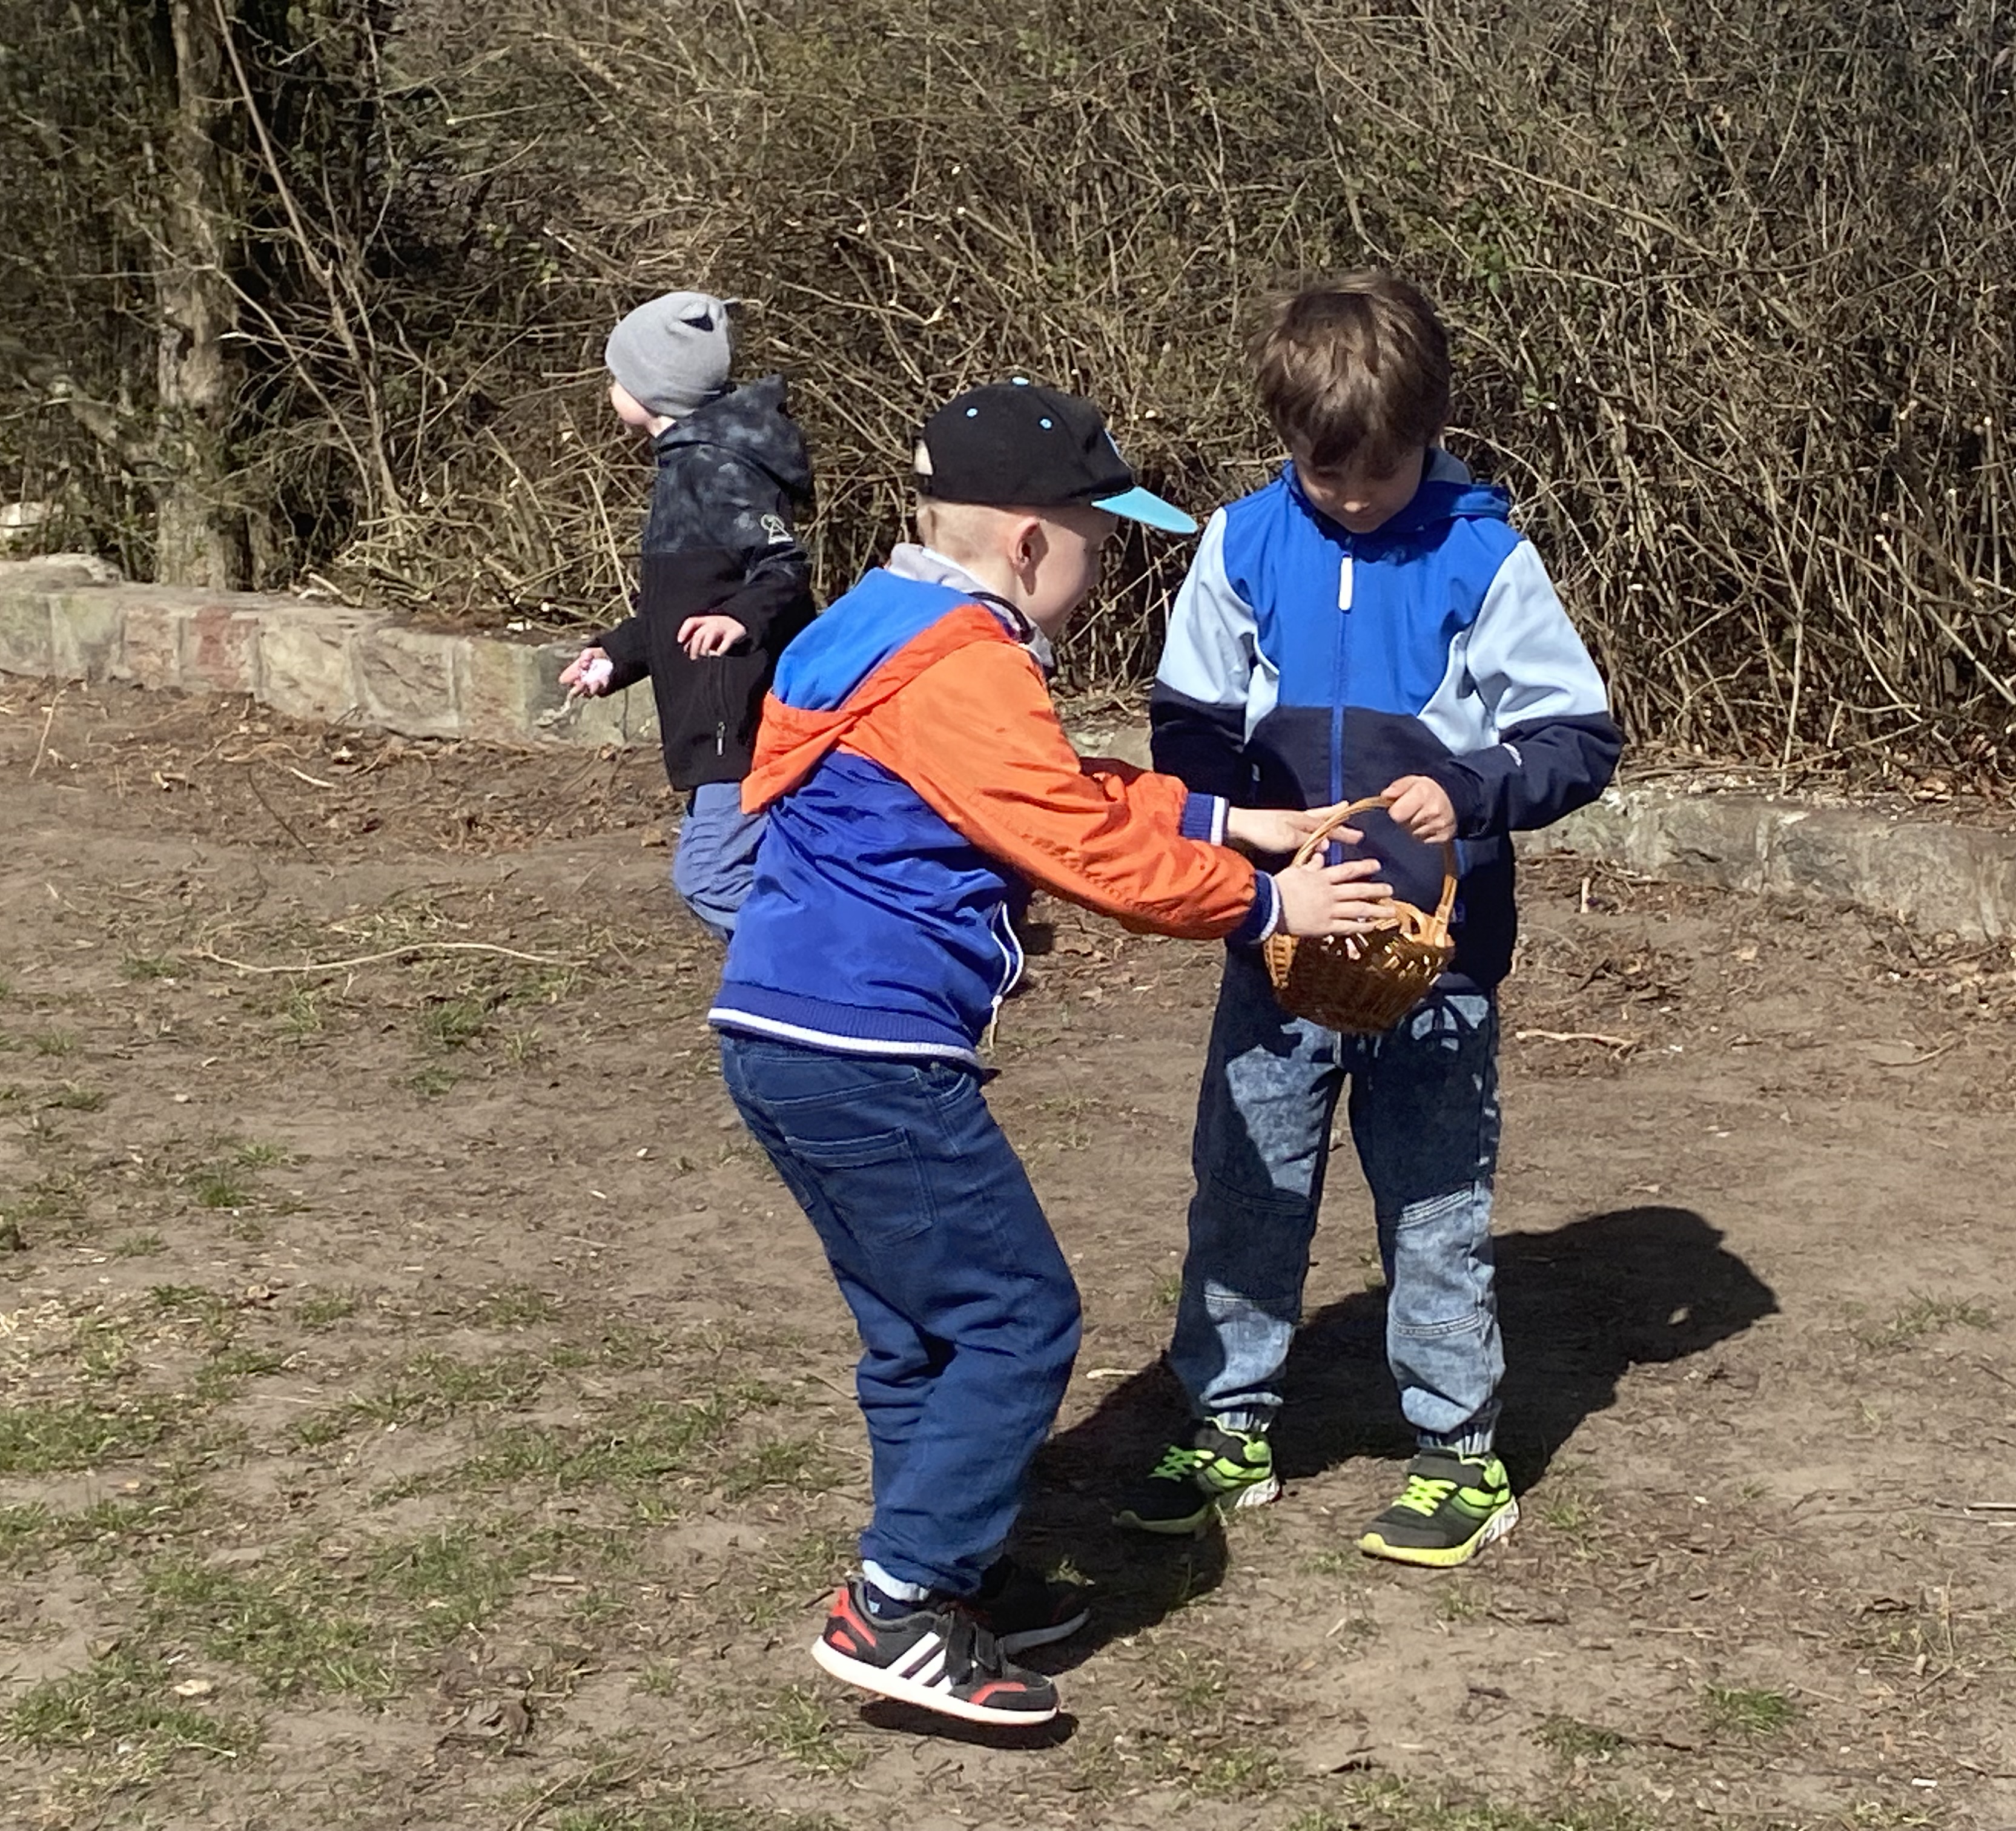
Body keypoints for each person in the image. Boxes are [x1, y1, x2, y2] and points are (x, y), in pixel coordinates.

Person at [711, 380, 1395, 1725]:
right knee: (1018, 1319)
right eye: (1098, 537)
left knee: (920, 1328)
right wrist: (1270, 903)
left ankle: (946, 1569)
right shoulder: (964, 665)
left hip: (783, 1033)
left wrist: (1229, 818)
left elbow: (1052, 788)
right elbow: (1077, 844)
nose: (1104, 564)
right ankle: (901, 1600)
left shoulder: (880, 623)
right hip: (868, 1049)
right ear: (1030, 540)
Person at [1121, 271, 1625, 1568]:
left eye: (1380, 472)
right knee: (1247, 1181)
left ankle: (1459, 1449)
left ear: (1430, 430)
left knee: (1435, 1200)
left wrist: (1471, 789)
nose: (1351, 497)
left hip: (1433, 962)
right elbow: (1189, 722)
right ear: (1285, 439)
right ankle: (1227, 1423)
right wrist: (1242, 840)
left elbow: (1575, 737)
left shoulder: (1484, 555)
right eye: (1323, 472)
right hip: (1278, 936)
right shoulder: (1240, 543)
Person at [560, 291, 815, 935]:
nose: (609, 388)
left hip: (743, 716)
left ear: (653, 390)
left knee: (710, 876)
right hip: (717, 717)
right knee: (750, 867)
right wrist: (617, 655)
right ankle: (794, 969)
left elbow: (783, 565)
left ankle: (823, 966)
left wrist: (740, 617)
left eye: (617, 376)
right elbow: (679, 605)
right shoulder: (684, 466)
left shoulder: (714, 468)